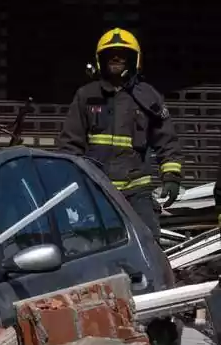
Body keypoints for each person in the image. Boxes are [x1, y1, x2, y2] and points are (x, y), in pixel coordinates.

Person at [57, 28, 182, 236]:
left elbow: (166, 140)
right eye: (110, 54)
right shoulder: (87, 96)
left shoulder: (148, 96)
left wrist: (172, 176)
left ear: (134, 59)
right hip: (95, 191)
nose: (116, 58)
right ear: (101, 60)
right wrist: (69, 186)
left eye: (122, 54)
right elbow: (70, 145)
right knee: (93, 247)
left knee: (147, 245)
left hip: (137, 194)